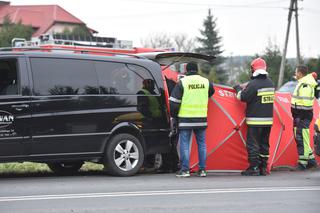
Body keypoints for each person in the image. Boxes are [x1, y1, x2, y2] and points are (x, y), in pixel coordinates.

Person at [169, 62, 214, 178]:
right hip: (201, 118)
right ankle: (202, 170)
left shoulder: (183, 83)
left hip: (185, 118)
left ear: (186, 70)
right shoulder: (205, 82)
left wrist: (174, 116)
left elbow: (173, 103)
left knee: (184, 144)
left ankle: (185, 170)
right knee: (202, 144)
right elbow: (211, 92)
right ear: (197, 69)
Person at [233, 58, 274, 176]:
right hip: (268, 121)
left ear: (253, 69)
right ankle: (263, 168)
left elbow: (242, 97)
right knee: (264, 144)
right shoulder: (270, 83)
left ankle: (253, 168)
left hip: (255, 120)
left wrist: (237, 89)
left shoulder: (254, 84)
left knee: (253, 144)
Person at [291, 65, 318, 170]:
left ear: (300, 73)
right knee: (303, 137)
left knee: (301, 138)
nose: (295, 74)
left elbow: (305, 104)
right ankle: (311, 161)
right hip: (301, 115)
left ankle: (303, 163)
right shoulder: (303, 83)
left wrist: (299, 116)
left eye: (296, 72)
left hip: (302, 115)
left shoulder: (305, 85)